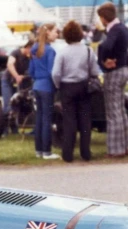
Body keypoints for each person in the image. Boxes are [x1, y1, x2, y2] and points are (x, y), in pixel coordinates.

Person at [52, 20, 100, 162]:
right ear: (80, 34)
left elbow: (55, 73)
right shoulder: (88, 50)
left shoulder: (62, 52)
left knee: (69, 120)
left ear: (66, 35)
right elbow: (94, 71)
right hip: (84, 86)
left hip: (67, 87)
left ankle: (68, 154)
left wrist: (58, 85)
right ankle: (86, 153)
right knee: (85, 119)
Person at [97, 2, 128, 158]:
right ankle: (124, 146)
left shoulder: (113, 30)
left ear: (104, 17)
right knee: (121, 111)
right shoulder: (123, 28)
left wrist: (104, 60)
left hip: (114, 72)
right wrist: (119, 57)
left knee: (112, 113)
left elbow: (106, 46)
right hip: (124, 69)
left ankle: (115, 150)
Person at [29, 23, 59, 160]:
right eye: (55, 32)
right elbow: (52, 72)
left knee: (39, 119)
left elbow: (31, 71)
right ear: (48, 33)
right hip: (47, 87)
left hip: (37, 85)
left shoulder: (35, 49)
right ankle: (47, 151)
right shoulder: (50, 51)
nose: (57, 34)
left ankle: (38, 150)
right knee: (47, 119)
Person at [1, 39, 33, 129]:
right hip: (8, 80)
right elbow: (10, 64)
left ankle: (14, 128)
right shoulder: (15, 53)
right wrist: (16, 76)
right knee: (8, 103)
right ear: (28, 47)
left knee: (17, 104)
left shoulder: (29, 57)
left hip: (19, 82)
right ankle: (3, 129)